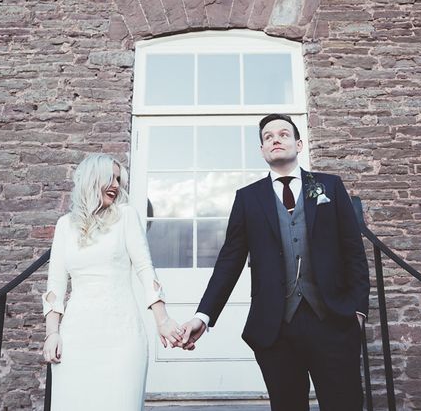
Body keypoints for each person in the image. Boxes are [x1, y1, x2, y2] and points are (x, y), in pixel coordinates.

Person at [179, 114, 370, 411]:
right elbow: (229, 261)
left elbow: (353, 252)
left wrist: (357, 310)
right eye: (268, 137)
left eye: (283, 134)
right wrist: (203, 316)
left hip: (332, 322)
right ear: (262, 150)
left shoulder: (329, 187)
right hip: (276, 329)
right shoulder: (247, 198)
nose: (276, 139)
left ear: (299, 144)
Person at [42, 153, 181, 410]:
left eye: (119, 179)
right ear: (92, 179)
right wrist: (53, 334)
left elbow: (144, 268)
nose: (117, 185)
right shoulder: (64, 226)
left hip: (122, 336)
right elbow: (56, 284)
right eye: (111, 178)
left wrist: (162, 320)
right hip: (77, 337)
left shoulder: (125, 216)